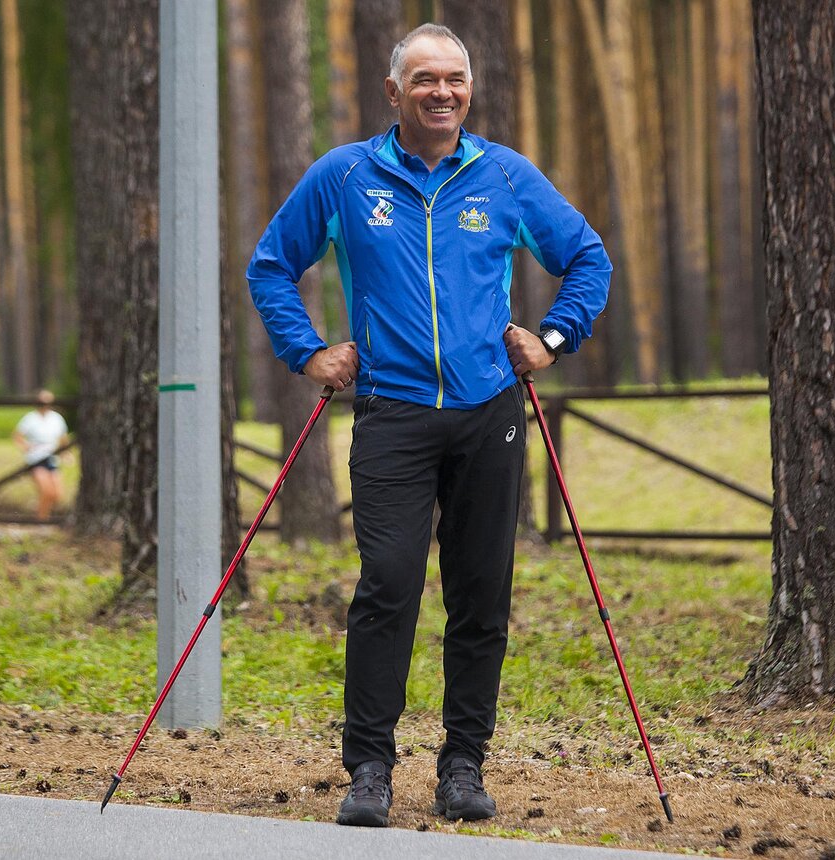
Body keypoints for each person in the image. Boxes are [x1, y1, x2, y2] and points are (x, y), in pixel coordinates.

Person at [246, 23, 610, 828]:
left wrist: (550, 338)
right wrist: (308, 352)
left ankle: (463, 765)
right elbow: (271, 264)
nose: (441, 92)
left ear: (469, 91)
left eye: (453, 80)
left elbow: (588, 258)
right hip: (391, 413)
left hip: (489, 413)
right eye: (424, 80)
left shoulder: (505, 177)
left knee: (480, 596)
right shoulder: (345, 176)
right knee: (389, 586)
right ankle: (369, 767)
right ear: (393, 93)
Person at [12, 389, 70, 522]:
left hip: (52, 458)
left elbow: (63, 439)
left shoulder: (56, 418)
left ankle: (41, 512)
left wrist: (66, 453)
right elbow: (17, 436)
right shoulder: (30, 418)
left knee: (57, 494)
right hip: (36, 459)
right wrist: (26, 447)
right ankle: (41, 521)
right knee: (46, 491)